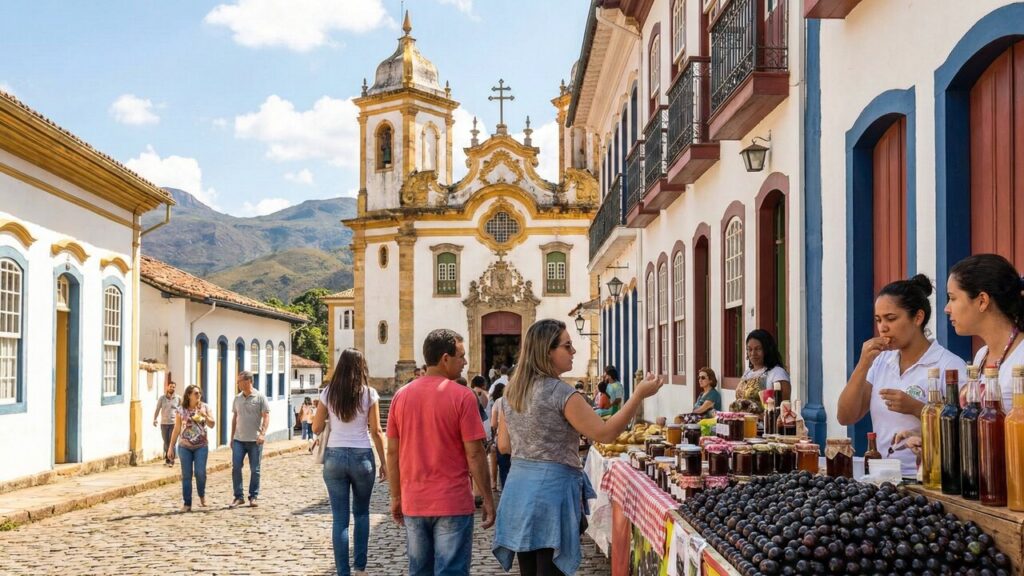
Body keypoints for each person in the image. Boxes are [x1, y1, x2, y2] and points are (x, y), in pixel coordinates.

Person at [493, 319, 664, 576]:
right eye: (567, 346)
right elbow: (605, 434)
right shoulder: (562, 392)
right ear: (547, 351)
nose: (573, 351)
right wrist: (637, 395)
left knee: (529, 570)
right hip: (552, 493)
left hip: (518, 490)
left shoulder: (513, 391)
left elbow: (504, 445)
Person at [387, 329, 494, 576]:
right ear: (445, 358)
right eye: (461, 356)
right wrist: (487, 497)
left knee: (419, 571)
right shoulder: (462, 397)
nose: (465, 362)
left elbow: (392, 452)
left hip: (414, 501)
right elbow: (475, 454)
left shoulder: (400, 396)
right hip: (452, 502)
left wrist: (395, 496)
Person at [838, 274, 966, 476]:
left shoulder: (948, 365)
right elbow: (846, 416)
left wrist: (917, 409)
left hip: (927, 479)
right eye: (879, 320)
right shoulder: (881, 361)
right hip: (881, 476)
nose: (883, 327)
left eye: (891, 318)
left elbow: (964, 429)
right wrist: (863, 364)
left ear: (917, 317)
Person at [314, 348, 387, 576]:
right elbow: (376, 431)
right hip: (362, 456)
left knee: (340, 519)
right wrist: (384, 462)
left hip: (334, 456)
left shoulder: (329, 393)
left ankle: (342, 572)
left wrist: (330, 419)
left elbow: (315, 427)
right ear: (361, 366)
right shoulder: (369, 394)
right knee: (362, 514)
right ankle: (360, 568)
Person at [946, 253, 1024, 408]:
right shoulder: (982, 355)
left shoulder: (1021, 356)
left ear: (982, 301)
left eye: (953, 298)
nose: (947, 309)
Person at [167, 384, 215, 512]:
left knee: (200, 473)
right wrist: (171, 447)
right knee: (186, 475)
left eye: (199, 393)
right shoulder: (181, 410)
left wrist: (204, 415)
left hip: (201, 446)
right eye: (195, 393)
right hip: (184, 447)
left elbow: (212, 424)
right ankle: (187, 503)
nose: (198, 395)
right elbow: (176, 429)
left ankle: (202, 495)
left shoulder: (205, 407)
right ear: (189, 395)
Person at [230, 371, 270, 508]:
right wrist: (231, 437)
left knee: (255, 469)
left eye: (239, 381)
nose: (238, 384)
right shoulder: (237, 398)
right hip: (239, 440)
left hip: (255, 440)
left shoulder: (260, 397)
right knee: (236, 468)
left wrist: (263, 433)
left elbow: (266, 416)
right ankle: (238, 496)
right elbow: (235, 418)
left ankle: (253, 496)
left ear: (248, 381)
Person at [730, 330, 790, 414]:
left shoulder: (778, 374)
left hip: (764, 425)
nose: (753, 353)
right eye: (749, 349)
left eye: (758, 349)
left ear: (767, 350)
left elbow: (783, 410)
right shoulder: (747, 373)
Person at [152, 376, 180, 466]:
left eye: (173, 387)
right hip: (164, 423)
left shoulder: (178, 398)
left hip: (174, 424)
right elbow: (157, 409)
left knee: (172, 442)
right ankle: (167, 459)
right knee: (166, 442)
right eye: (170, 386)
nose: (172, 388)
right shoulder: (162, 398)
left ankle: (171, 460)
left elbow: (182, 410)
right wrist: (155, 419)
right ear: (167, 387)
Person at [489, 383, 511, 492]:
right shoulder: (524, 399)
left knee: (504, 468)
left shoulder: (499, 401)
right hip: (518, 441)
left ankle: (505, 492)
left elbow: (493, 424)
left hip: (502, 438)